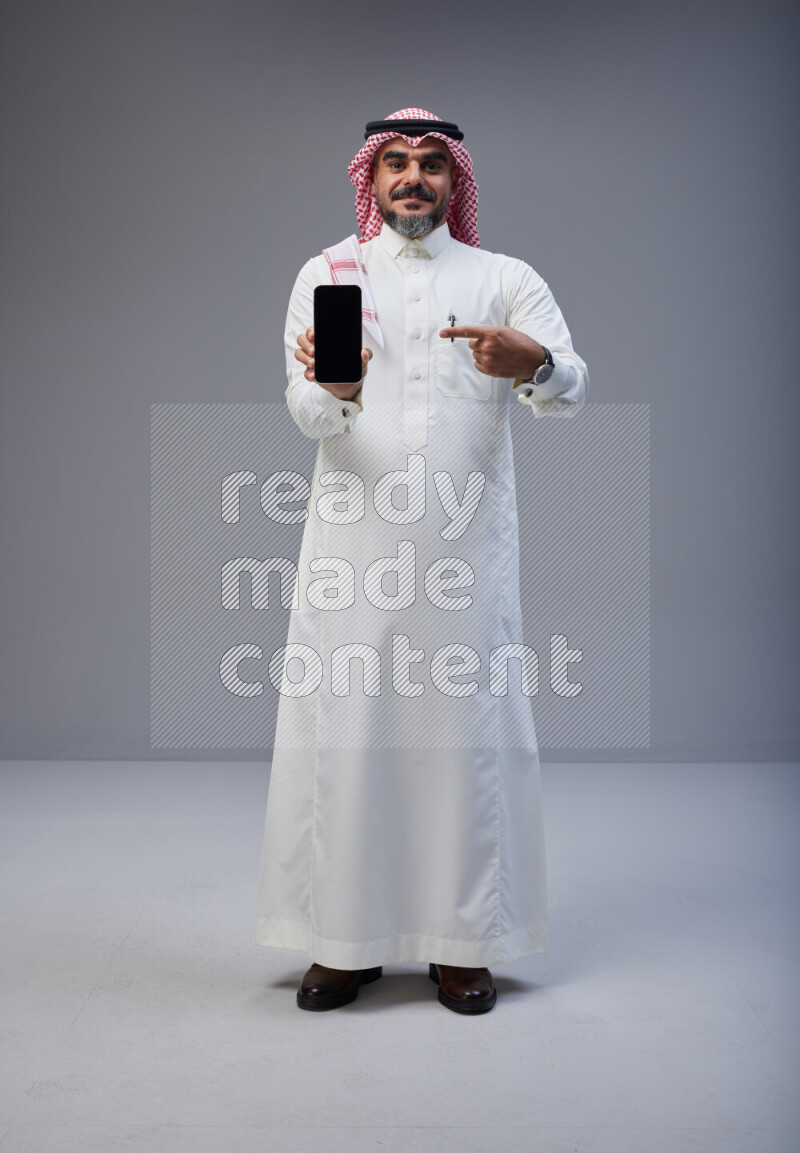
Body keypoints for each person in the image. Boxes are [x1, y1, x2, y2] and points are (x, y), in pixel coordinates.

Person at [255, 108, 588, 1014]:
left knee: (461, 742)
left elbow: (571, 388)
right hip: (353, 554)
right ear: (372, 177)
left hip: (464, 554)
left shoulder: (503, 278)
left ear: (454, 180)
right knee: (350, 736)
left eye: (431, 164)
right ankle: (343, 942)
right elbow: (305, 413)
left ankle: (461, 944)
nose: (413, 178)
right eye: (396, 162)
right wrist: (335, 387)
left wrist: (535, 363)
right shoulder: (330, 273)